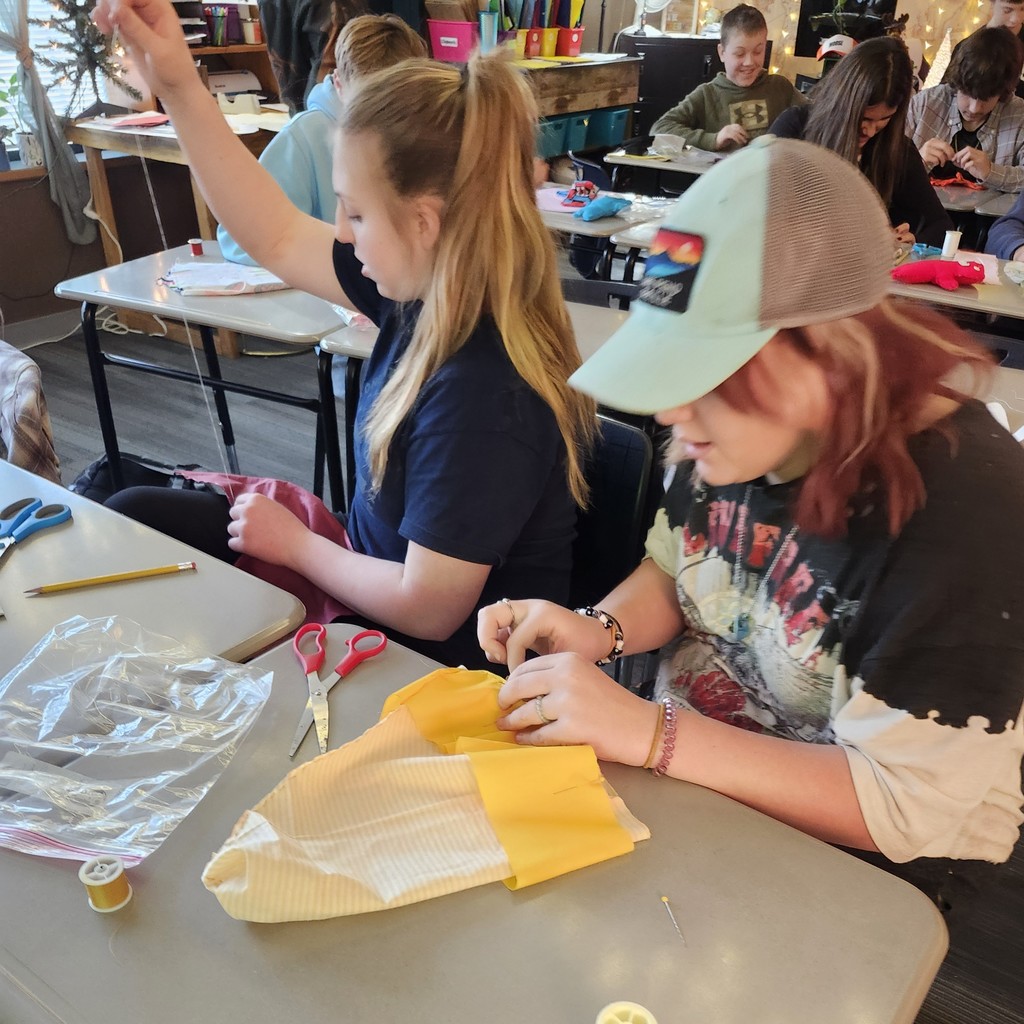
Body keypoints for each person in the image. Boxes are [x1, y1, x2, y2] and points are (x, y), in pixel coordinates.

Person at [477, 136, 1024, 924]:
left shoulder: (972, 523)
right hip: (683, 781)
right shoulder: (739, 433)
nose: (671, 409)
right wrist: (598, 629)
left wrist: (650, 733)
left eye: (706, 373)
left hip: (854, 868)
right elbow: (682, 568)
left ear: (836, 350)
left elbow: (906, 807)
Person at [92, 0, 596, 670]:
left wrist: (299, 546)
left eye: (355, 212)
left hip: (434, 669)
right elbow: (272, 231)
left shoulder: (485, 396)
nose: (339, 231)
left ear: (425, 223)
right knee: (132, 510)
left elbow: (429, 607)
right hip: (369, 597)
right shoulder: (425, 293)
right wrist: (181, 83)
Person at [217, 13, 427, 265]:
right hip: (322, 289)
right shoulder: (303, 137)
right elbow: (240, 240)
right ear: (338, 83)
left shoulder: (420, 132)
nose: (380, 116)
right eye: (365, 101)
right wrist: (337, 259)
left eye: (395, 103)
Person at [769, 36, 952, 248]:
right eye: (864, 118)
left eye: (885, 119)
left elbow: (941, 226)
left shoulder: (898, 150)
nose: (871, 130)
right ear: (843, 102)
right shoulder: (795, 128)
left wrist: (914, 241)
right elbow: (760, 208)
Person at [650, 3, 805, 153]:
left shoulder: (780, 87)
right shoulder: (707, 94)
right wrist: (713, 139)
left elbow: (816, 116)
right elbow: (660, 129)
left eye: (758, 51)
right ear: (722, 52)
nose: (749, 62)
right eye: (739, 54)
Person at [907, 27, 1024, 193]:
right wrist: (917, 163)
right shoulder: (925, 104)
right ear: (957, 84)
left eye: (986, 98)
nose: (974, 108)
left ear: (1003, 93)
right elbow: (881, 172)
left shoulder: (1019, 113)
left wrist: (991, 171)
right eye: (968, 94)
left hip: (992, 218)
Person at [948, 0, 1024, 101]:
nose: (1016, 19)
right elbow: (953, 94)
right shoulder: (968, 49)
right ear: (992, 5)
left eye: (1023, 9)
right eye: (1007, 10)